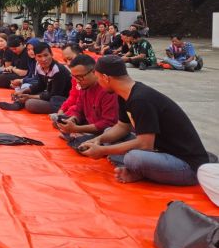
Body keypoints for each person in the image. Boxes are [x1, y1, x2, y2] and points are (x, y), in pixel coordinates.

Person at [79, 55, 209, 185]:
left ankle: (139, 170)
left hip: (187, 165)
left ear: (106, 78)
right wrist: (99, 140)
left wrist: (102, 150)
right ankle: (140, 171)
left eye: (98, 78)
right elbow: (122, 127)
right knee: (108, 132)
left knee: (133, 158)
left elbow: (145, 144)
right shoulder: (124, 94)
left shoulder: (140, 100)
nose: (98, 84)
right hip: (159, 151)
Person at [56, 54, 119, 150]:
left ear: (94, 72)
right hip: (90, 125)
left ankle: (82, 137)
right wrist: (73, 119)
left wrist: (77, 129)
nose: (77, 81)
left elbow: (108, 123)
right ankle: (80, 136)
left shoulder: (107, 90)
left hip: (106, 130)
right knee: (61, 121)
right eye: (74, 77)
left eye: (80, 77)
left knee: (80, 144)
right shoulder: (84, 86)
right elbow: (78, 110)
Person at [1, 42, 71, 113]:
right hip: (49, 93)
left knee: (30, 104)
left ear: (51, 54)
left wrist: (29, 96)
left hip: (60, 99)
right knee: (27, 91)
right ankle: (17, 104)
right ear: (35, 57)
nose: (43, 59)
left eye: (46, 55)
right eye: (39, 56)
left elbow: (54, 94)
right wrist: (23, 91)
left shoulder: (57, 70)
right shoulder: (39, 66)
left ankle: (22, 103)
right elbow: (40, 85)